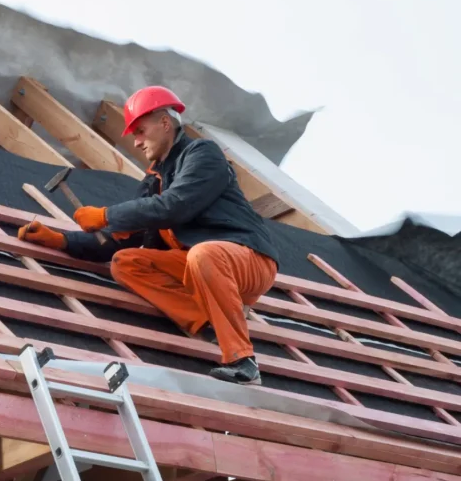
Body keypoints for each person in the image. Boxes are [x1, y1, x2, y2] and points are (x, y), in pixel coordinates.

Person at [18, 86, 280, 385]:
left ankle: (242, 362)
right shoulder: (155, 179)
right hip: (198, 267)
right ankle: (208, 319)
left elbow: (175, 206)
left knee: (204, 253)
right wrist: (62, 240)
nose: (137, 141)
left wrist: (105, 214)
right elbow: (116, 240)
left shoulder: (203, 154)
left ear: (165, 123)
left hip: (247, 259)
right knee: (125, 262)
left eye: (140, 131)